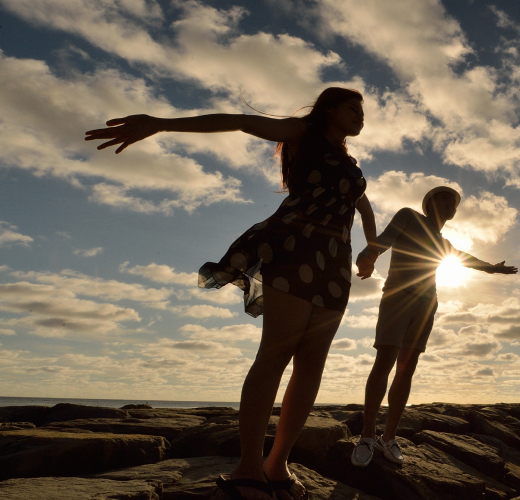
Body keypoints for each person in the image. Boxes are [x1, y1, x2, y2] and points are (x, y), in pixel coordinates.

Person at [86, 87, 376, 500]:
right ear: (330, 109)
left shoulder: (349, 162)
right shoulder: (301, 134)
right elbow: (240, 122)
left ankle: (277, 465)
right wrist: (161, 124)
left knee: (312, 363)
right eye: (353, 109)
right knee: (276, 353)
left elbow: (362, 204)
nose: (361, 118)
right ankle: (246, 469)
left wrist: (371, 245)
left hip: (334, 263)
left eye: (363, 113)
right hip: (296, 248)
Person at [350, 186, 517, 467]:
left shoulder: (442, 242)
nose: (451, 201)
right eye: (444, 197)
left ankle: (388, 438)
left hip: (426, 305)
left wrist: (492, 268)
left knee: (406, 368)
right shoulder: (409, 217)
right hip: (397, 298)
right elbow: (384, 240)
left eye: (454, 201)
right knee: (385, 361)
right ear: (428, 204)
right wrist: (367, 255)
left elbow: (465, 259)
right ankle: (367, 435)